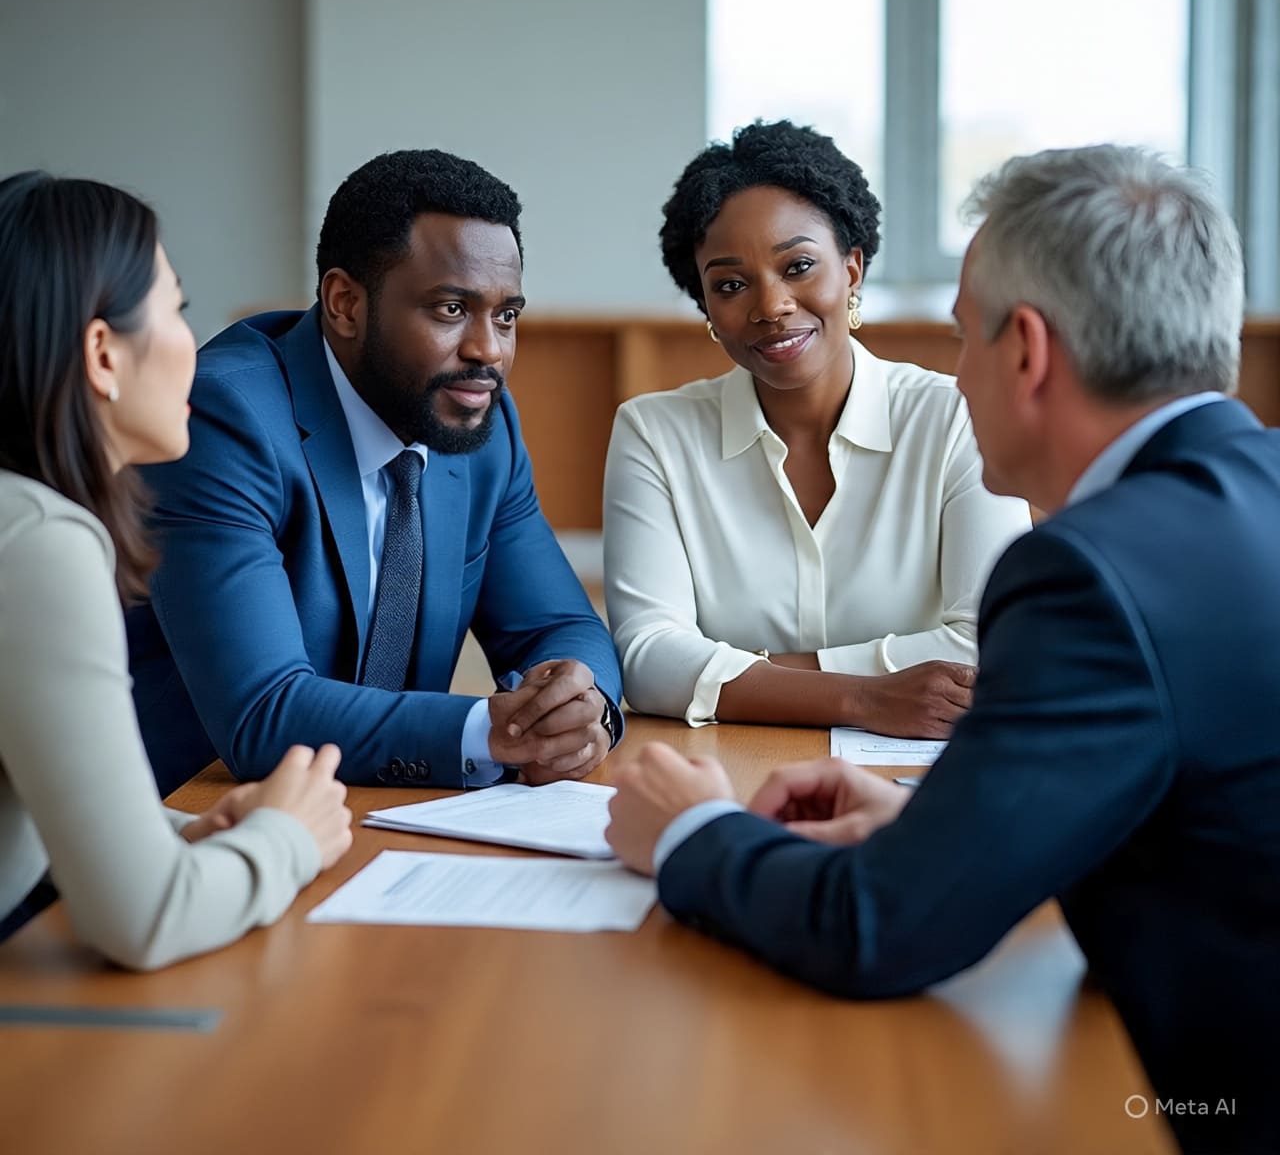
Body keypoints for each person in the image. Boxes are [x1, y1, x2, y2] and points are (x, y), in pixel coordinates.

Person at [606, 145, 1280, 1154]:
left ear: (1027, 350)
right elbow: (1193, 797)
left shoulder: (1085, 575)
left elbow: (875, 928)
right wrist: (937, 817)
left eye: (963, 336)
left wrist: (692, 831)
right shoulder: (1252, 486)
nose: (950, 373)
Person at [128, 149, 623, 795]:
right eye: (451, 310)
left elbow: (562, 627)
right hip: (190, 822)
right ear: (345, 304)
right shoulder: (223, 420)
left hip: (379, 817)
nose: (489, 351)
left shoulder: (481, 424)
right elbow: (263, 713)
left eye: (506, 316)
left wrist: (583, 709)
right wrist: (488, 731)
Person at [0, 172, 352, 965]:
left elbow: (44, 797)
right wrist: (288, 839)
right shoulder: (38, 543)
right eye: (177, 310)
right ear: (102, 353)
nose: (195, 346)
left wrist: (191, 835)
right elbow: (147, 919)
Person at [604, 121, 1029, 736]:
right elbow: (646, 661)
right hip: (726, 769)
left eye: (798, 266)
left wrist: (744, 675)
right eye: (729, 284)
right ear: (706, 308)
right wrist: (864, 698)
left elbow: (992, 646)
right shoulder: (654, 432)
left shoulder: (954, 417)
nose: (771, 305)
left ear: (852, 270)